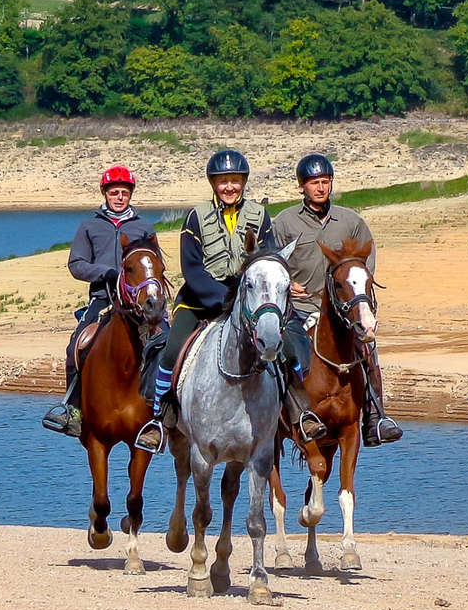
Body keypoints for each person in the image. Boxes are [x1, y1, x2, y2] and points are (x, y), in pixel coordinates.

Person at [134, 149, 273, 453]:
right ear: (213, 183)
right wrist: (224, 299)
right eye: (223, 181)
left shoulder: (260, 216)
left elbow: (268, 258)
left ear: (243, 182)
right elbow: (192, 268)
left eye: (235, 181)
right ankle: (159, 418)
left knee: (280, 345)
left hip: (249, 301)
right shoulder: (196, 217)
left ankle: (294, 412)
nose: (229, 187)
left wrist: (247, 299)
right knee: (171, 351)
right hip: (199, 298)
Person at [272, 153, 404, 448]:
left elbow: (366, 264)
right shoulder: (284, 223)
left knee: (368, 349)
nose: (321, 188)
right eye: (314, 183)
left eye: (325, 182)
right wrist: (286, 283)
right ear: (301, 186)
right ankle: (278, 416)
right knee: (282, 353)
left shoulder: (351, 221)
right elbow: (271, 259)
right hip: (300, 307)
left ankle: (375, 418)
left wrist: (359, 300)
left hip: (342, 311)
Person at [42, 165, 163, 435]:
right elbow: (76, 264)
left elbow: (155, 264)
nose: (119, 197)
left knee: (164, 342)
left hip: (139, 302)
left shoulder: (144, 227)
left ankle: (164, 412)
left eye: (124, 192)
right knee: (75, 346)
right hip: (103, 297)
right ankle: (73, 410)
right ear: (105, 193)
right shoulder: (90, 226)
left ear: (130, 194)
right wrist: (107, 273)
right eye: (114, 192)